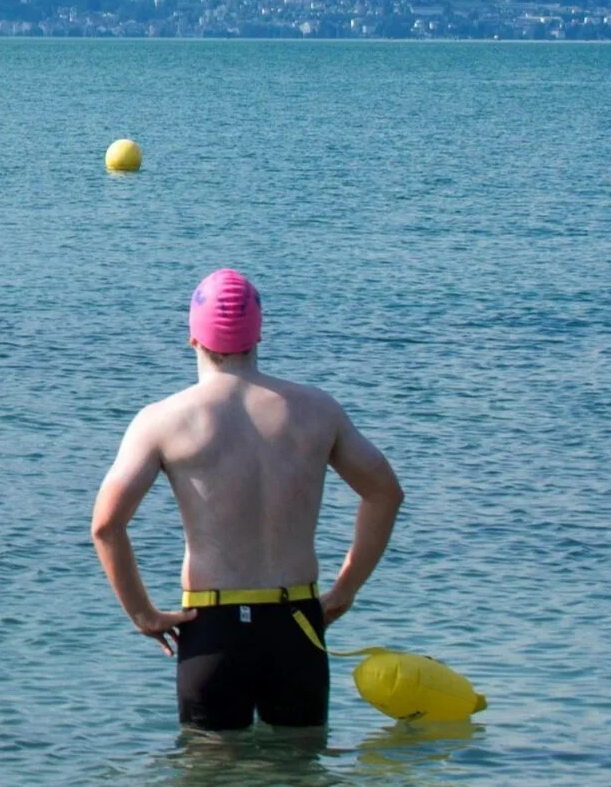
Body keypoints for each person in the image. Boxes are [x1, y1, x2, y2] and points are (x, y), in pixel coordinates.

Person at [91, 269, 405, 731]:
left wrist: (143, 612)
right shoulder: (318, 409)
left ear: (192, 338)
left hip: (211, 628)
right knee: (301, 763)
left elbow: (106, 525)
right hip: (297, 621)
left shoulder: (162, 420)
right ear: (258, 335)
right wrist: (344, 591)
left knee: (210, 766)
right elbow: (385, 494)